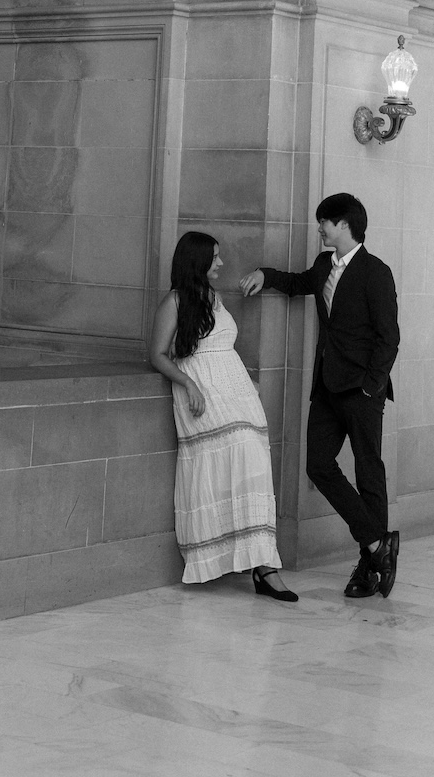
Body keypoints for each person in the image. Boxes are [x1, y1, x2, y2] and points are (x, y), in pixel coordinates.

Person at [240, 192, 400, 600]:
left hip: (362, 390)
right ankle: (377, 545)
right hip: (327, 388)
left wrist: (372, 385)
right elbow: (298, 283)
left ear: (343, 225)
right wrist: (265, 274)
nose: (319, 228)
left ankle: (368, 569)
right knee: (318, 465)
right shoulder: (324, 264)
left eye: (324, 222)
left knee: (368, 473)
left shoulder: (375, 272)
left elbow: (389, 337)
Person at [150, 230, 297, 603]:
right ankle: (223, 558)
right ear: (197, 261)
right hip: (204, 398)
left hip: (238, 396)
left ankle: (262, 564)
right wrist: (189, 385)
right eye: (214, 257)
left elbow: (222, 347)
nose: (220, 263)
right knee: (233, 461)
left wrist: (246, 379)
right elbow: (157, 354)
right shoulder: (175, 301)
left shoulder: (212, 298)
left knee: (254, 466)